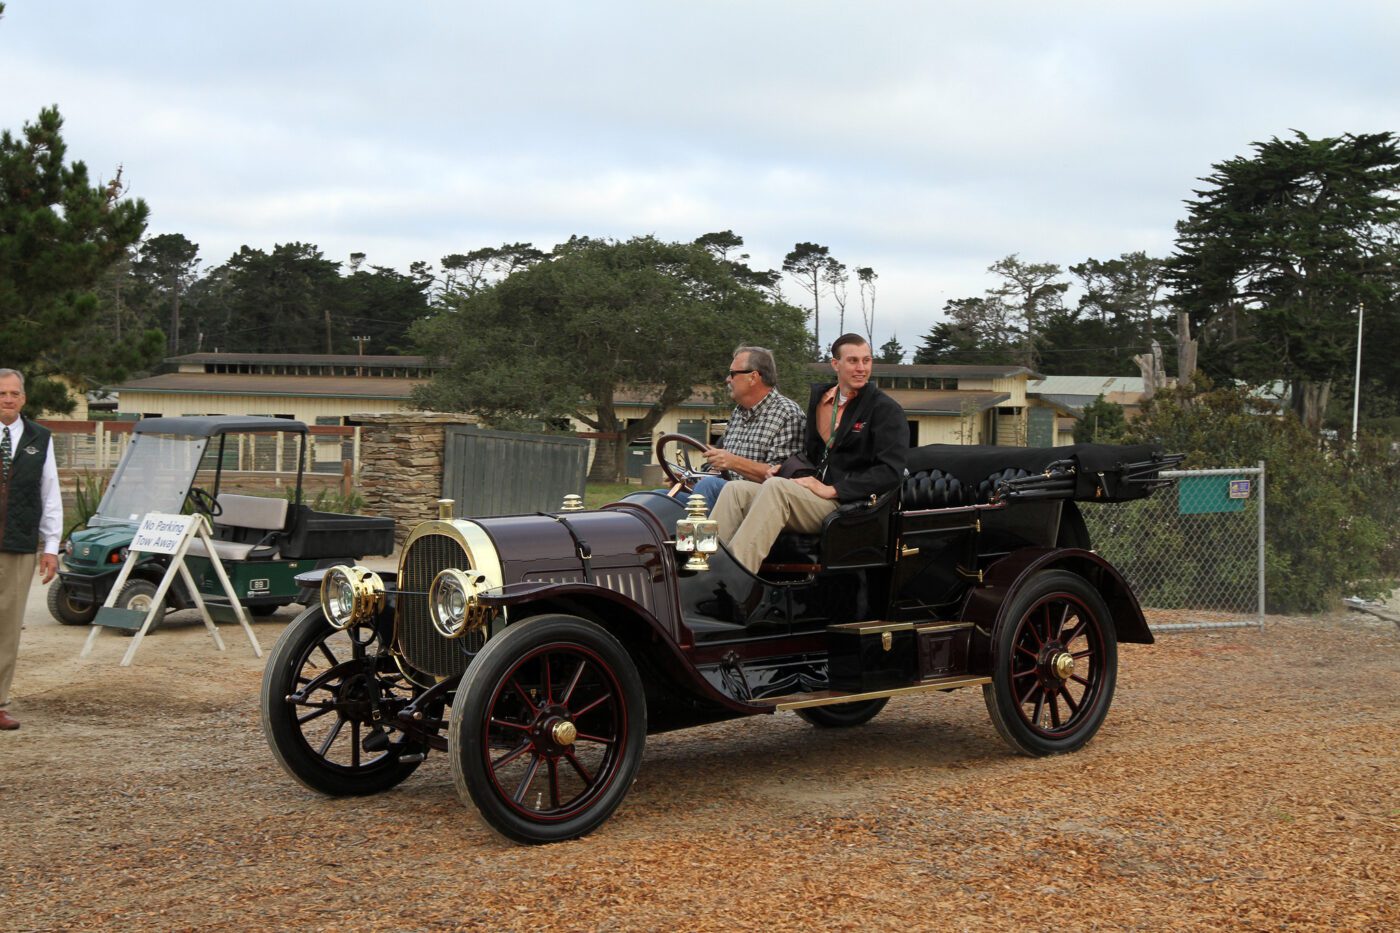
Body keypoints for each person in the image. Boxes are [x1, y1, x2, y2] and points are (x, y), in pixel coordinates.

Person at [712, 334, 906, 575]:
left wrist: (833, 490)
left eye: (866, 361)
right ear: (836, 364)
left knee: (776, 489)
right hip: (814, 495)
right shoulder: (822, 401)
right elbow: (814, 456)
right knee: (735, 490)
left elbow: (890, 472)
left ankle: (733, 579)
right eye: (853, 361)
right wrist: (784, 468)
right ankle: (706, 570)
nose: (861, 368)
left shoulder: (885, 410)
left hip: (850, 504)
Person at [668, 345, 804, 511]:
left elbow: (781, 477)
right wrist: (691, 478)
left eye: (733, 374)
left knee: (710, 486)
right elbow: (723, 472)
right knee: (660, 499)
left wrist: (733, 462)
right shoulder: (738, 413)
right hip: (725, 494)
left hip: (762, 502)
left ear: (753, 377)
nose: (728, 379)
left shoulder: (788, 414)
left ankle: (701, 537)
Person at [0, 369, 62, 731]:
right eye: (2, 393)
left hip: (18, 546)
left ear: (23, 398)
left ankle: (0, 702)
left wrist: (51, 547)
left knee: (7, 627)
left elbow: (50, 495)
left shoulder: (40, 438)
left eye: (14, 393)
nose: (8, 399)